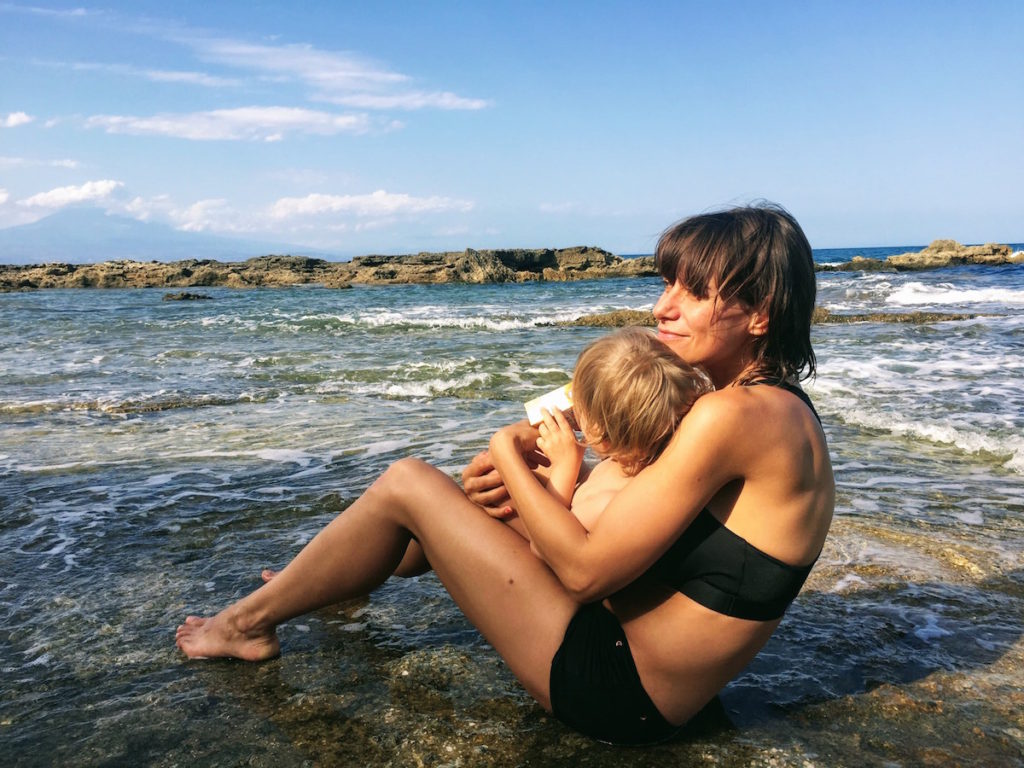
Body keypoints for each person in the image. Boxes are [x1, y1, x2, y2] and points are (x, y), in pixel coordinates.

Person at [176, 203, 834, 746]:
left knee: (409, 482)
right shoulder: (757, 405)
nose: (663, 307)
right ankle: (335, 583)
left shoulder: (735, 416)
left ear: (760, 312)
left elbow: (585, 573)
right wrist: (534, 469)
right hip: (638, 666)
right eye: (666, 284)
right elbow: (628, 507)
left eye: (691, 291)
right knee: (470, 498)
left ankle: (245, 625)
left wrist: (507, 450)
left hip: (617, 689)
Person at [534, 326, 712, 533]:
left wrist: (566, 466)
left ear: (601, 431)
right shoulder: (623, 463)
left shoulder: (603, 505)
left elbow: (543, 544)